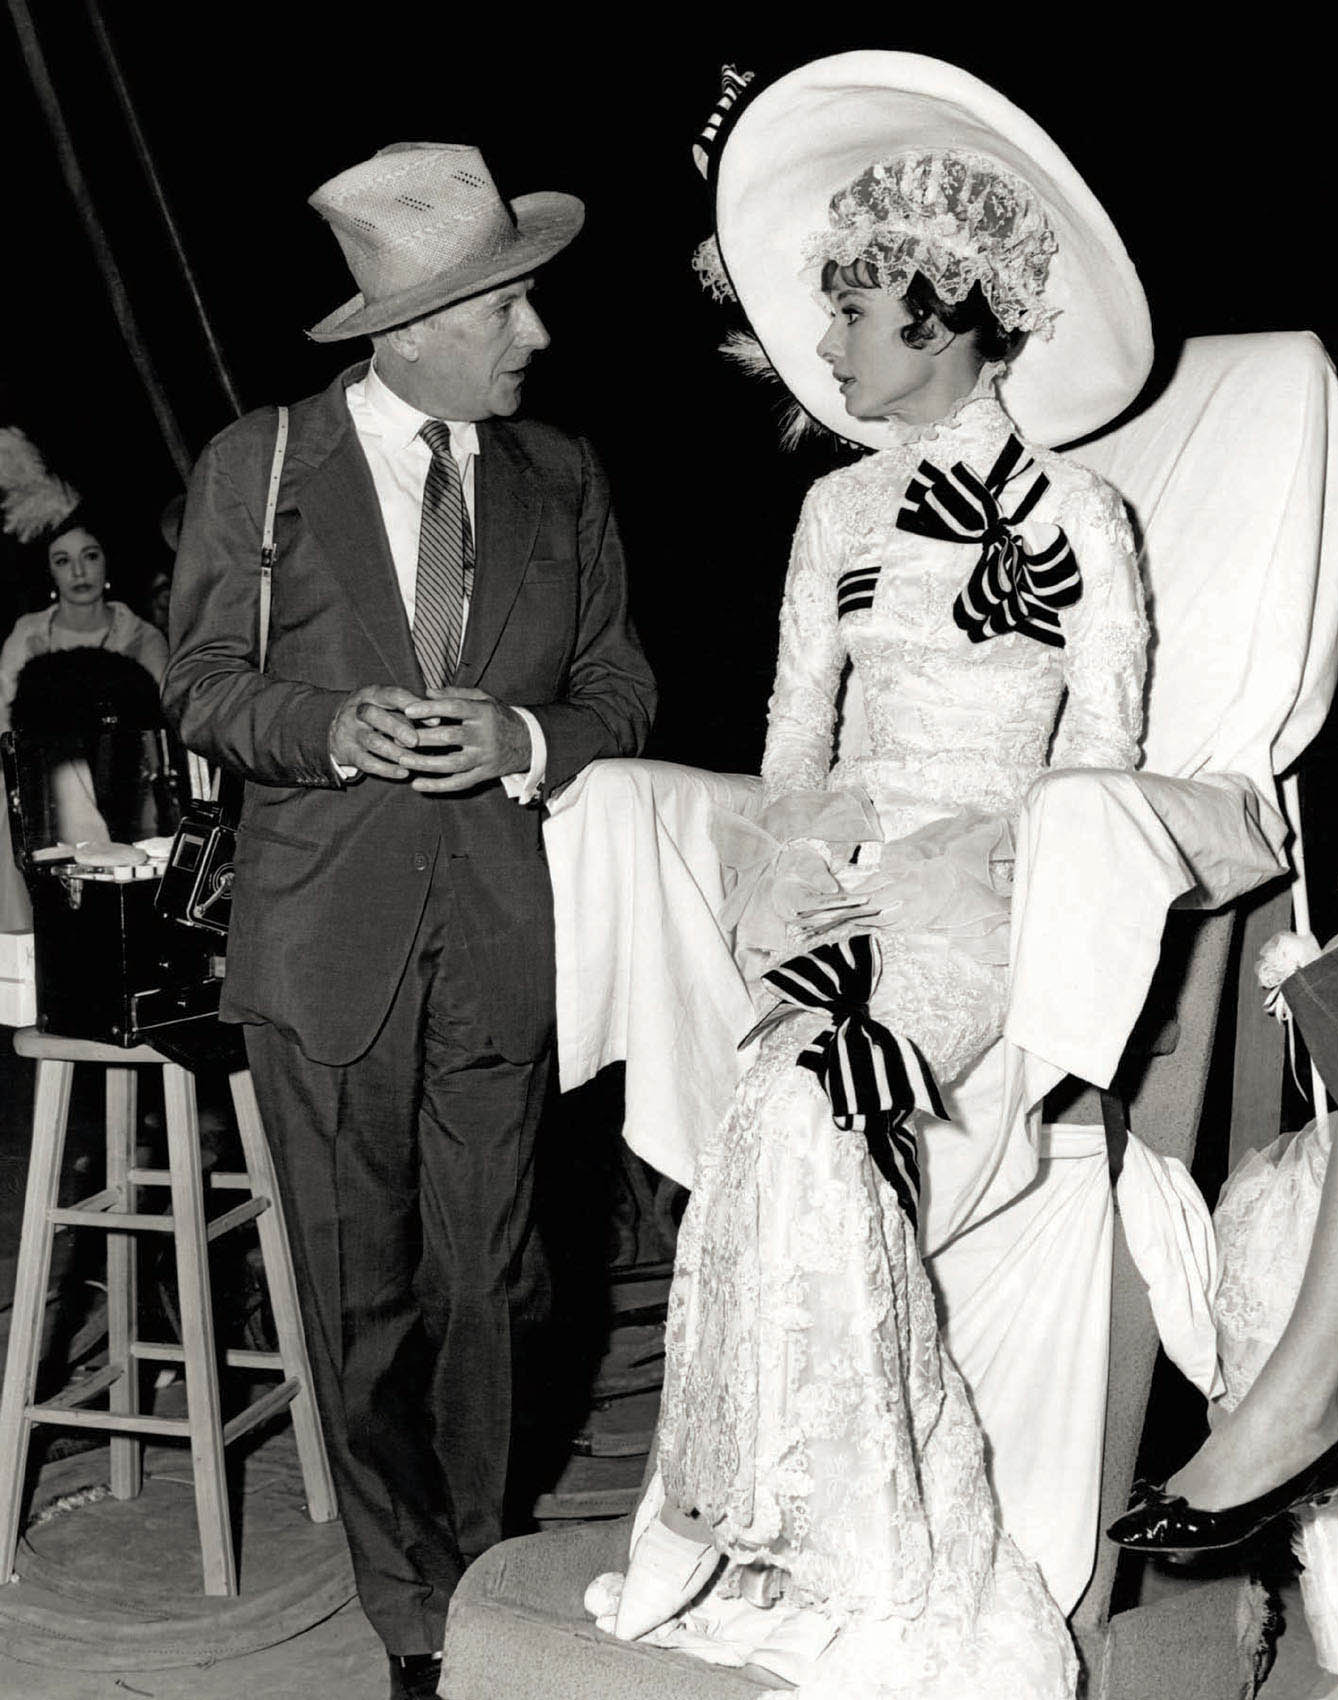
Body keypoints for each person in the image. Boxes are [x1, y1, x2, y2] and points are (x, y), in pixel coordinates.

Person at [587, 55, 1150, 1699]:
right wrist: (796, 854)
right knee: (778, 1111)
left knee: (826, 1106)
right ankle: (783, 1526)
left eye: (852, 311)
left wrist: (985, 857)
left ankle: (894, 1552)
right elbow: (789, 744)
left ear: (946, 312)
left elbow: (1099, 766)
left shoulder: (1081, 514)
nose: (821, 344)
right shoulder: (831, 509)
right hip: (844, 887)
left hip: (989, 895)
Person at [162, 142, 655, 1700]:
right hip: (323, 948)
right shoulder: (262, 464)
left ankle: (489, 1563)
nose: (536, 336)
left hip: (501, 938)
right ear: (417, 323)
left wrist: (519, 742)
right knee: (356, 1296)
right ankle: (411, 1612)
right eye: (509, 307)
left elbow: (621, 692)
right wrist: (327, 729)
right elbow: (194, 684)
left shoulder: (562, 478)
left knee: (498, 1286)